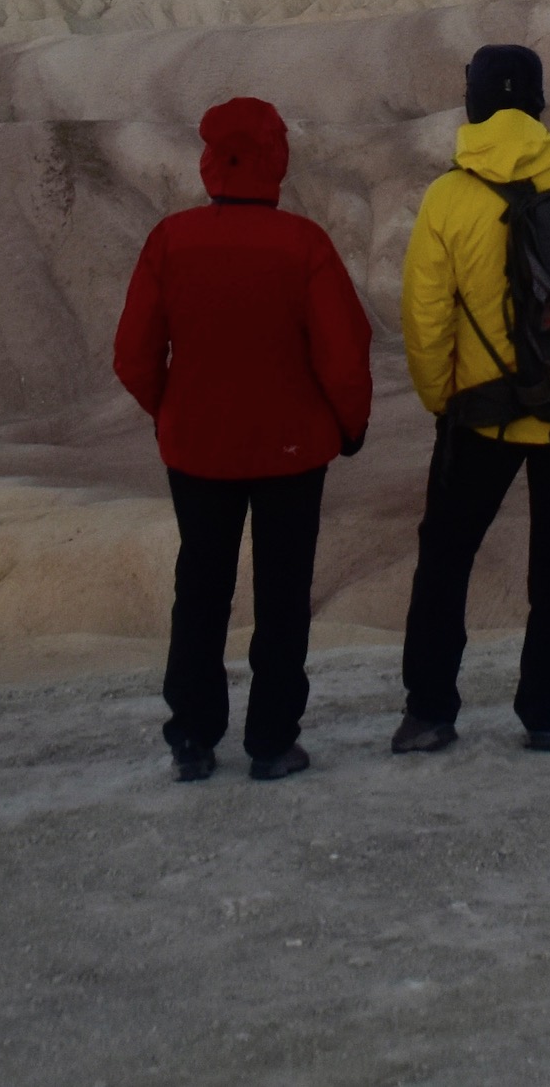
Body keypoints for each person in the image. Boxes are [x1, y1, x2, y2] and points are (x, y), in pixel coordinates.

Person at [113, 96, 376, 783]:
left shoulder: (170, 240)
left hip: (196, 449)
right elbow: (345, 355)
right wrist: (349, 425)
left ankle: (192, 736)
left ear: (211, 161)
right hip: (293, 451)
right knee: (283, 594)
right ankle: (271, 741)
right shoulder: (305, 244)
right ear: (275, 161)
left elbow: (133, 354)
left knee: (200, 587)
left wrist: (172, 411)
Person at [392, 42, 550, 754]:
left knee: (446, 560)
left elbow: (425, 321)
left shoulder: (450, 196)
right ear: (537, 105)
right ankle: (546, 714)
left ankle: (430, 711)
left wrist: (441, 400)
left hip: (482, 415)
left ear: (473, 104)